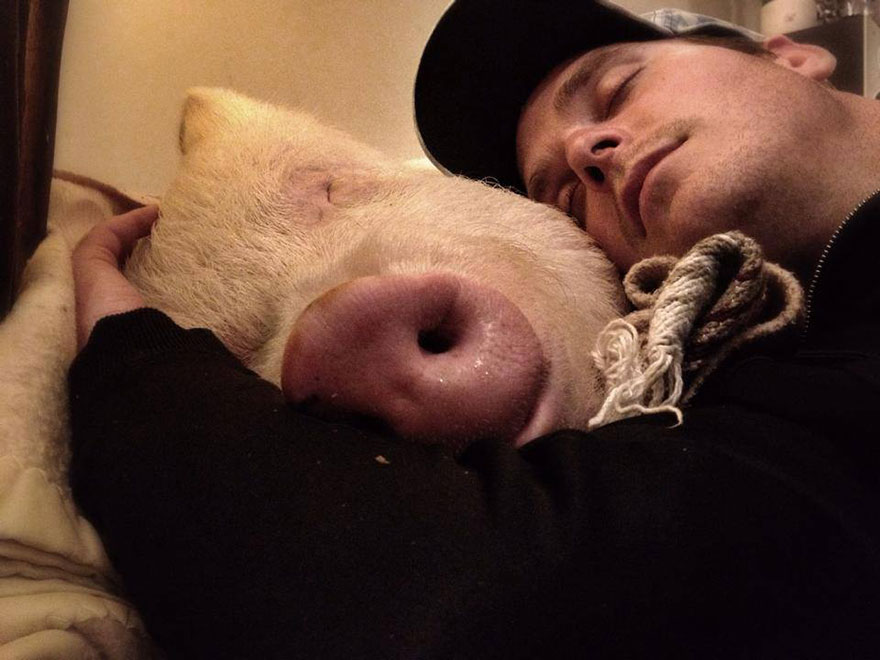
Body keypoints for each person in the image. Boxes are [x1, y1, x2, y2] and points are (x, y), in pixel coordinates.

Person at [69, 2, 880, 658]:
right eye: (563, 197)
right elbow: (457, 599)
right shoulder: (787, 406)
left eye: (617, 89)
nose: (587, 148)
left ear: (790, 54)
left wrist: (127, 358)